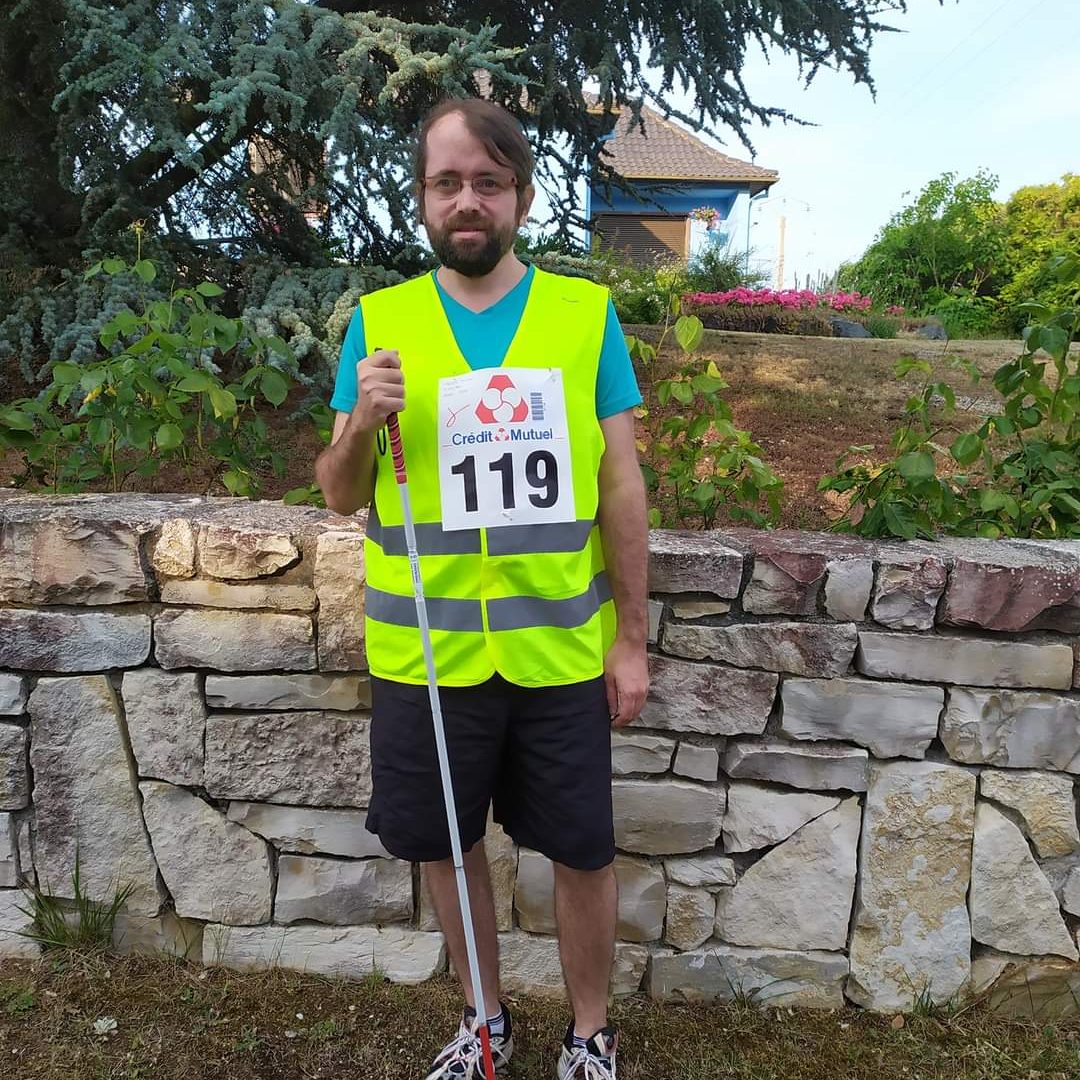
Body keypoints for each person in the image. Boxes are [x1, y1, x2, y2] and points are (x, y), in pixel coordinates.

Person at [314, 97, 649, 1080]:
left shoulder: (584, 318)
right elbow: (339, 496)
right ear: (423, 198)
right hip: (429, 651)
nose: (469, 200)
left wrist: (631, 639)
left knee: (582, 849)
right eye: (448, 182)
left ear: (521, 196)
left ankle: (590, 1034)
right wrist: (359, 424)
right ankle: (485, 1019)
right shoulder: (382, 324)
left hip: (558, 652)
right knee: (447, 841)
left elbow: (621, 484)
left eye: (488, 183)